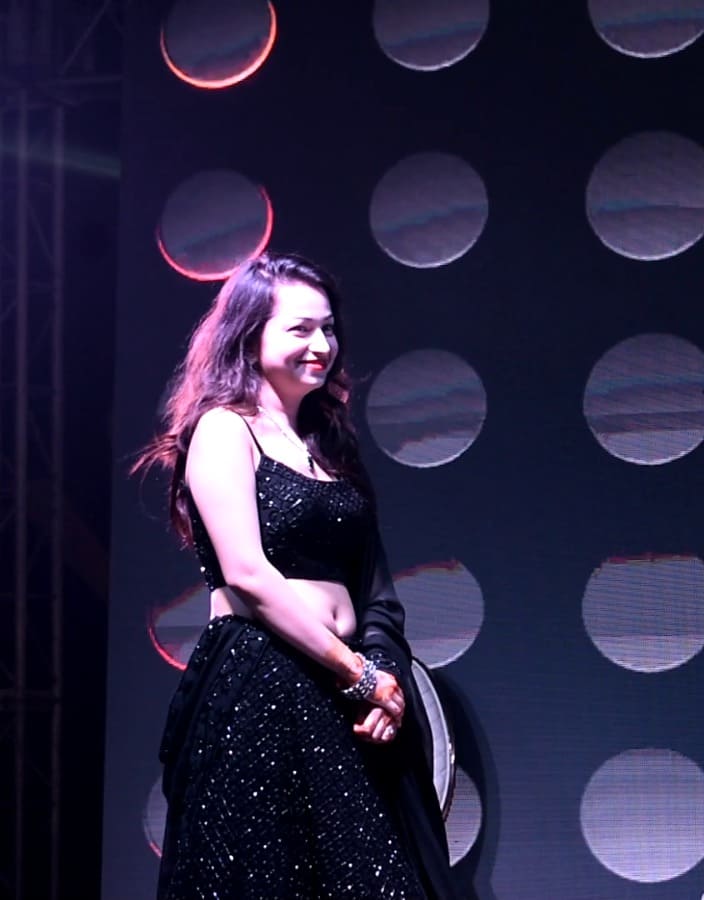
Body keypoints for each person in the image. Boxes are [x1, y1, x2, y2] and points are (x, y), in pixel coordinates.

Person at [135, 251, 462, 898]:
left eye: (329, 329)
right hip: (264, 686)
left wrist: (382, 676)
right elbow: (247, 576)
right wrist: (358, 673)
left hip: (347, 693)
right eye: (300, 329)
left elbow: (375, 589)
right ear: (249, 336)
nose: (321, 345)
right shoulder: (224, 430)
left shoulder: (330, 446)